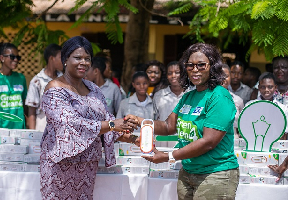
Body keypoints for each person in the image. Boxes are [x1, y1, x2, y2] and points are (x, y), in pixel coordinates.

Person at [127, 43, 239, 200]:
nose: (195, 69)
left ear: (212, 66)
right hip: (188, 172)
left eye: (201, 65)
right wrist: (140, 121)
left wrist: (168, 156)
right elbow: (168, 126)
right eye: (190, 65)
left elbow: (208, 142)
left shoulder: (219, 96)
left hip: (215, 174)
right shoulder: (188, 97)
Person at [40, 36, 139, 200]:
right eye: (77, 58)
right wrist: (113, 124)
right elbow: (69, 123)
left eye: (87, 59)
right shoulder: (54, 88)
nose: (83, 62)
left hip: (87, 166)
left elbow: (108, 125)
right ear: (65, 59)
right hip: (60, 165)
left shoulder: (93, 89)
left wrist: (135, 138)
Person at [153, 61, 192, 147]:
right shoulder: (159, 95)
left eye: (177, 72)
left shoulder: (191, 94)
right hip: (162, 142)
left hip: (185, 143)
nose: (173, 75)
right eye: (170, 73)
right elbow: (154, 118)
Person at [0, 42, 27, 129]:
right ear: (2, 58)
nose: (16, 60)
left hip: (19, 128)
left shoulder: (21, 78)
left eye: (18, 57)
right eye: (12, 57)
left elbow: (24, 104)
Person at [25, 44, 63, 131]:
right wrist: (33, 134)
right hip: (43, 127)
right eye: (61, 57)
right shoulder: (37, 81)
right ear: (51, 58)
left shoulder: (64, 79)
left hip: (61, 129)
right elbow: (32, 110)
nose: (64, 61)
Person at [245, 73, 288, 139]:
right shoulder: (250, 106)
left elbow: (284, 133)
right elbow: (245, 128)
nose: (266, 90)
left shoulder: (282, 109)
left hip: (275, 146)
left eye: (270, 87)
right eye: (263, 87)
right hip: (254, 144)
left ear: (275, 87)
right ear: (259, 87)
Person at [221, 64, 244, 138]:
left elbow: (243, 125)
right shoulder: (206, 98)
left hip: (233, 143)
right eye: (220, 76)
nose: (223, 79)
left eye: (226, 76)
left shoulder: (238, 100)